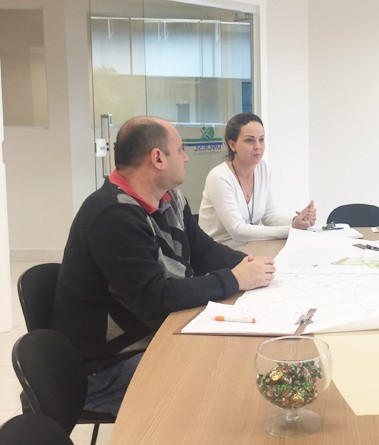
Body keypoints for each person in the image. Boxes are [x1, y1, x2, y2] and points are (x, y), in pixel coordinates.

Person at [52, 116, 276, 416]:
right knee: (221, 385)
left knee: (238, 356)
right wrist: (234, 280)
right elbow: (155, 298)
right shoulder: (112, 215)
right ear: (158, 158)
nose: (186, 157)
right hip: (106, 366)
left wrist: (249, 265)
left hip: (151, 335)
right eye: (180, 150)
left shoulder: (169, 198)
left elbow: (203, 251)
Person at [199, 113, 316, 248]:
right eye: (250, 141)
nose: (258, 146)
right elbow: (237, 231)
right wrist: (292, 229)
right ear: (232, 145)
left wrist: (297, 220)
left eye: (261, 140)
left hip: (250, 246)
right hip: (217, 251)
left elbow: (269, 216)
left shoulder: (263, 169)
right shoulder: (219, 177)